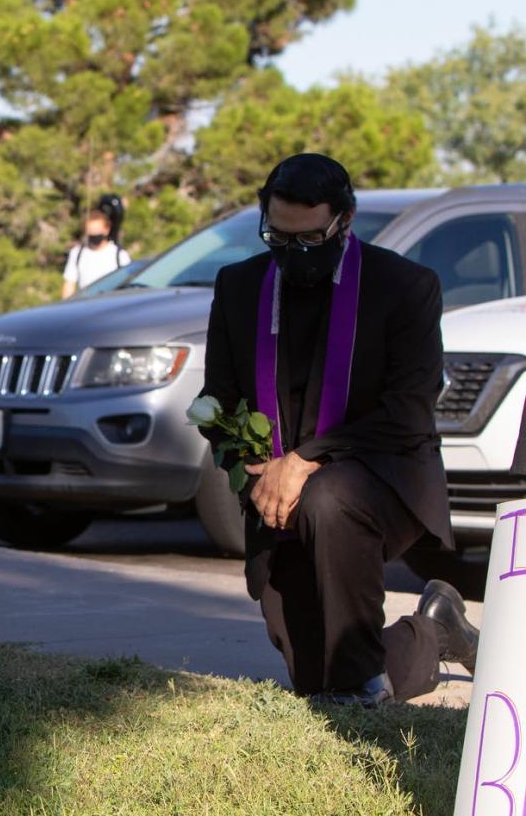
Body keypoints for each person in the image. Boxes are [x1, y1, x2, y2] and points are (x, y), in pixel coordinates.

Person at [199, 153, 479, 706]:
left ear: (343, 222)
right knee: (312, 675)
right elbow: (218, 402)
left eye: (308, 242)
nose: (291, 255)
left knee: (329, 496)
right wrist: (255, 468)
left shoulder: (405, 287)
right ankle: (434, 631)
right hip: (278, 494)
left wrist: (303, 461)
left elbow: (407, 413)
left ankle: (359, 692)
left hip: (382, 478)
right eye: (277, 238)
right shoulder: (238, 286)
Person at [60, 196, 131, 299]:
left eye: (97, 232)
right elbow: (69, 285)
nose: (95, 236)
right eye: (91, 233)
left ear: (106, 229)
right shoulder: (77, 254)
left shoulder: (120, 255)